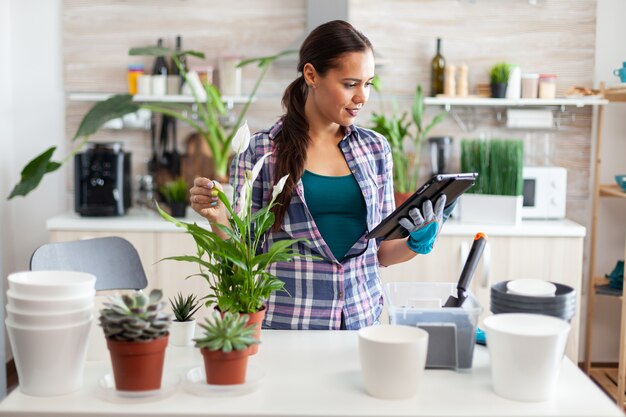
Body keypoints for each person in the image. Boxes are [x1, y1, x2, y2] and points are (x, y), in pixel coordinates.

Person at [189, 20, 449, 330]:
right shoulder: (261, 151)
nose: (362, 96)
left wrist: (416, 243)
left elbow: (380, 253)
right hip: (287, 324)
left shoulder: (375, 150)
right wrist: (219, 219)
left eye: (368, 83)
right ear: (312, 75)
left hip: (361, 321)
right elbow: (243, 258)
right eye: (350, 84)